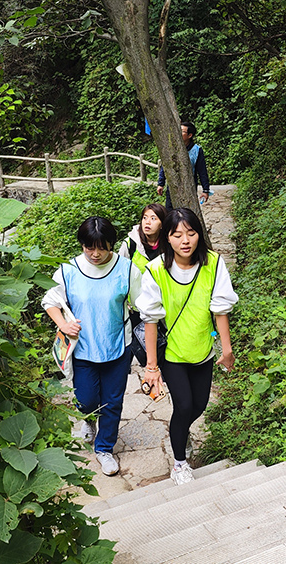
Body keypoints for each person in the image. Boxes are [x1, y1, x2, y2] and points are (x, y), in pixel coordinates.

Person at [136, 208, 237, 485]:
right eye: (177, 234)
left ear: (198, 235)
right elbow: (151, 320)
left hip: (202, 350)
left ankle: (180, 431)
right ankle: (180, 463)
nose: (185, 240)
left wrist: (226, 350)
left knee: (199, 406)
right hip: (173, 354)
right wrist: (152, 367)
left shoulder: (213, 264)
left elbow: (220, 310)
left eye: (191, 233)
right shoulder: (156, 271)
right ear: (167, 238)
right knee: (183, 406)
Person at [41, 217, 141, 477]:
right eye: (89, 247)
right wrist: (63, 324)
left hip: (117, 345)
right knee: (86, 400)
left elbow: (144, 303)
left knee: (112, 402)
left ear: (111, 245)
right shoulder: (69, 271)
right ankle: (88, 420)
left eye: (102, 248)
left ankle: (105, 448)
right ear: (82, 244)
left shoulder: (126, 269)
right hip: (83, 348)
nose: (95, 254)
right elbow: (50, 300)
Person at [118, 204, 168, 366]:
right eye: (145, 218)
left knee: (163, 347)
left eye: (153, 218)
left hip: (164, 307)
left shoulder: (169, 244)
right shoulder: (130, 244)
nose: (147, 222)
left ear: (162, 223)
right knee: (139, 348)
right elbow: (119, 274)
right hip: (136, 309)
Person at [157, 123, 210, 209]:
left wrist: (205, 190)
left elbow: (202, 171)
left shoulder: (196, 150)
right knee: (170, 212)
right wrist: (161, 183)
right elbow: (165, 166)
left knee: (187, 212)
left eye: (182, 131)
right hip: (172, 185)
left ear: (190, 135)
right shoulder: (171, 147)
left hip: (189, 186)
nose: (178, 133)